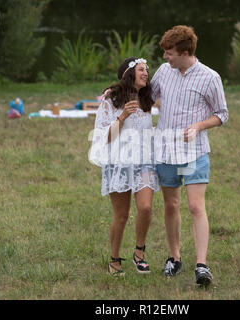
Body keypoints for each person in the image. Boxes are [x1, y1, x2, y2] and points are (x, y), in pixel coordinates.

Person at [150, 25, 229, 286]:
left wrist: (199, 126)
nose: (165, 57)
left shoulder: (210, 77)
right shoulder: (164, 72)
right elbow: (146, 98)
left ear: (185, 52)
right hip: (165, 152)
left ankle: (202, 266)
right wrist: (114, 95)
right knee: (171, 205)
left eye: (169, 52)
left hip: (194, 153)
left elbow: (222, 114)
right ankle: (174, 258)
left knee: (196, 206)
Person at [90, 57, 159, 277]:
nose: (146, 73)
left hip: (144, 161)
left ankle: (139, 252)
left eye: (147, 69)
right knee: (121, 215)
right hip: (118, 162)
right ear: (129, 74)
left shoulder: (146, 99)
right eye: (141, 69)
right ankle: (114, 258)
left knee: (146, 208)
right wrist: (123, 116)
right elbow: (104, 138)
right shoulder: (111, 99)